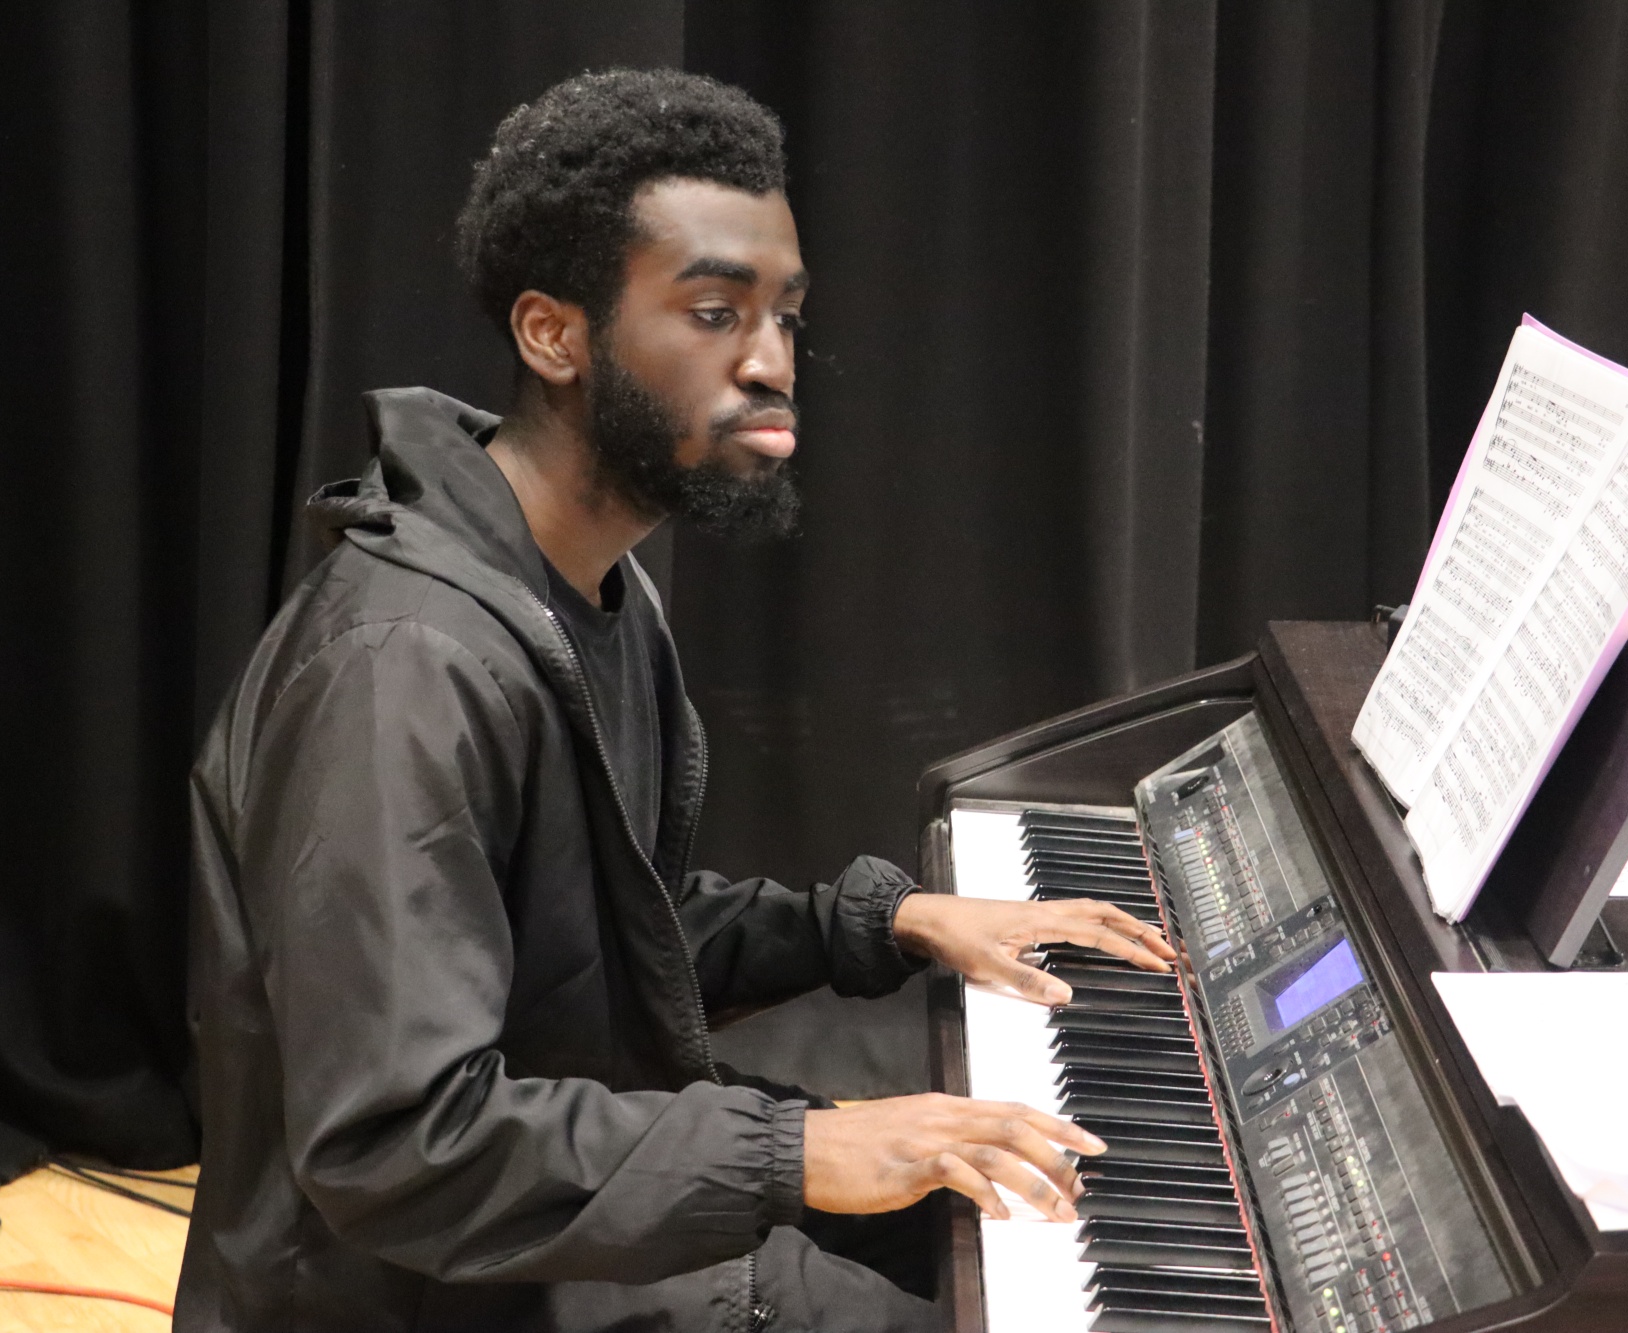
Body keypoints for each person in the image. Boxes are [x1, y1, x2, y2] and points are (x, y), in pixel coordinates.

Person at [177, 68, 1176, 1332]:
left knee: (1029, 1202)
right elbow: (397, 1141)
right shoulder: (403, 670)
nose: (769, 363)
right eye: (713, 313)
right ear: (554, 335)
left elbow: (600, 942)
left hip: (547, 1221)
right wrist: (793, 1154)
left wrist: (883, 921)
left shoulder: (589, 590)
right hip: (419, 1293)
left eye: (784, 317)